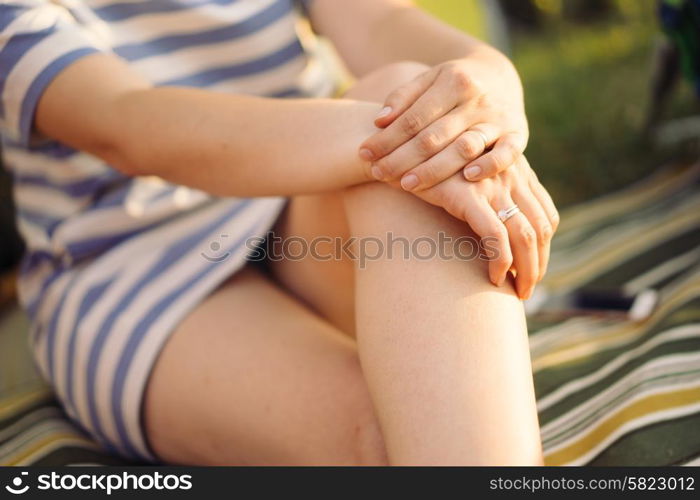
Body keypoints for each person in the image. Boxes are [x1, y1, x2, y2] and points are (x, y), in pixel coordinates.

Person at [0, 0, 558, 465]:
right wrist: (413, 136)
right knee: (403, 442)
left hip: (302, 198)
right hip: (133, 269)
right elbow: (124, 122)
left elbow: (382, 21)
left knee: (410, 98)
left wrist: (486, 83)